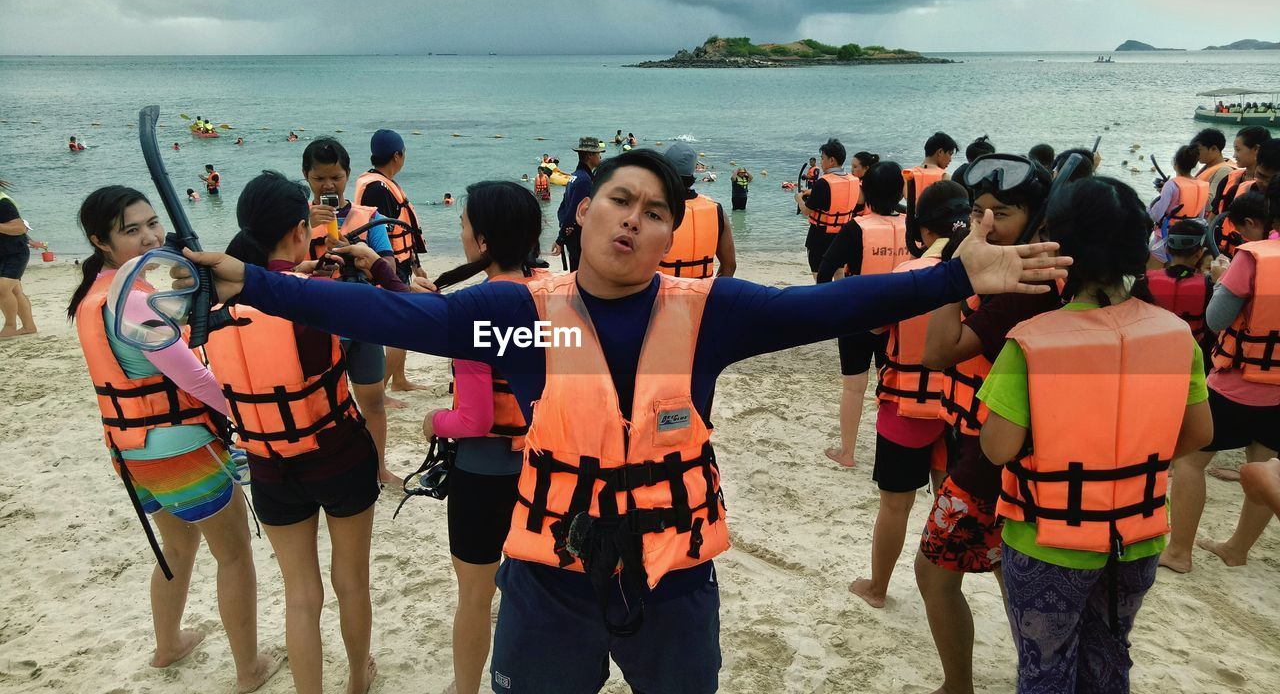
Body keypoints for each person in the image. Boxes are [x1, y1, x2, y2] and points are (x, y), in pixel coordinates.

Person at [180, 148, 1067, 694]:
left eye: (655, 213)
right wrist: (253, 282)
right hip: (551, 579)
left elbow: (822, 309)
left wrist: (954, 277)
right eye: (619, 202)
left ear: (668, 234)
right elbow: (398, 318)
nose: (634, 222)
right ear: (583, 213)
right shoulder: (517, 313)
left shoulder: (711, 313)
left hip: (673, 580)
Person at [979, 176, 1212, 693]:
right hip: (1138, 537)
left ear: (1057, 247)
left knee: (1046, 667)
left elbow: (998, 448)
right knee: (1109, 657)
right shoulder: (1176, 335)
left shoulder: (1031, 344)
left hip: (1048, 542)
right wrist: (1126, 457)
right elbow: (1199, 432)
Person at [67, 185, 280, 693]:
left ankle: (169, 645)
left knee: (176, 549)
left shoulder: (93, 297)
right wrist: (251, 417)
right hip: (182, 449)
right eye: (131, 230)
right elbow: (199, 381)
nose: (150, 238)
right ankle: (249, 670)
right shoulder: (135, 305)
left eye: (151, 224)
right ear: (101, 241)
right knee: (234, 558)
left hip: (130, 450)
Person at [204, 171, 380, 694]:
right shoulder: (315, 298)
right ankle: (356, 678)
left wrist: (294, 275)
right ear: (301, 229)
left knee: (301, 594)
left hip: (268, 464)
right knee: (351, 581)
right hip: (338, 452)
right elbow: (359, 338)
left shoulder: (213, 312)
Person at [917, 153, 1059, 694]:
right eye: (980, 213)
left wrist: (955, 269)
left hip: (995, 458)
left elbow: (938, 351)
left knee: (933, 572)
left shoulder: (1028, 285)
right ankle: (1039, 673)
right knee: (1010, 571)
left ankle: (959, 686)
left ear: (1037, 216)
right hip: (1030, 452)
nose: (988, 226)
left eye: (1002, 213)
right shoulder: (1055, 271)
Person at [419, 181, 546, 694]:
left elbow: (471, 419)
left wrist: (432, 421)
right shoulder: (557, 299)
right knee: (532, 593)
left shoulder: (476, 310)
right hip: (545, 473)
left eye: (466, 225)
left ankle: (466, 687)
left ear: (485, 241)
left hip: (483, 476)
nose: (461, 230)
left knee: (475, 596)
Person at [848, 180, 968, 610]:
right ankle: (949, 579)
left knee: (895, 506)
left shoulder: (908, 274)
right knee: (954, 503)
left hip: (907, 407)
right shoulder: (982, 273)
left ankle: (878, 588)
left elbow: (877, 328)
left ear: (923, 229)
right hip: (960, 407)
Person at [1162, 180, 1280, 574]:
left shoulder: (1253, 257)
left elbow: (1216, 319)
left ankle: (1179, 552)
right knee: (1265, 469)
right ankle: (1237, 549)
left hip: (1236, 386)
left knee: (1190, 463)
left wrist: (1222, 276)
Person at [302, 137, 409, 486]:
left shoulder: (370, 219)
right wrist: (306, 230)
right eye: (319, 179)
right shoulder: (297, 221)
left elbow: (387, 266)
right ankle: (323, 469)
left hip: (362, 325)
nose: (328, 185)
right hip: (319, 327)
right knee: (319, 407)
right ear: (307, 178)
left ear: (348, 174)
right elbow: (280, 269)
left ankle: (378, 468)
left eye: (335, 177)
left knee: (373, 402)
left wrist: (352, 250)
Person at [815, 162, 910, 467]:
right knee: (891, 385)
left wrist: (836, 302)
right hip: (899, 321)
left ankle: (848, 453)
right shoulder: (913, 225)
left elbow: (825, 271)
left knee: (854, 387)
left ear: (865, 191)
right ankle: (888, 449)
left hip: (858, 317)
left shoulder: (857, 228)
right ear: (901, 191)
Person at [353, 129, 430, 397]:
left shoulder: (382, 183)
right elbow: (382, 235)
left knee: (402, 324)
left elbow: (402, 227)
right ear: (397, 155)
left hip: (401, 263)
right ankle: (381, 390)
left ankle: (399, 379)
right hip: (386, 267)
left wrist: (416, 263)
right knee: (399, 326)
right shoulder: (378, 188)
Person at [1142, 218, 1218, 360]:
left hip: (1152, 353)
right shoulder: (1209, 285)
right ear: (1200, 253)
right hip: (1191, 354)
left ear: (1167, 249)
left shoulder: (1145, 280)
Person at [661, 143, 736, 279]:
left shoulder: (654, 210)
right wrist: (709, 294)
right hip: (701, 296)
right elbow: (729, 266)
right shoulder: (716, 210)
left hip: (658, 296)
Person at [797, 138, 859, 280]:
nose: (821, 162)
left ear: (831, 160)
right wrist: (812, 193)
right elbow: (837, 196)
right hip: (843, 233)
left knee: (819, 274)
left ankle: (823, 299)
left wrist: (799, 198)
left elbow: (806, 211)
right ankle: (841, 298)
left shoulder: (823, 183)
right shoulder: (853, 180)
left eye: (822, 158)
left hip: (820, 234)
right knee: (838, 271)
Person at [1148, 145, 1210, 262]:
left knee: (1152, 272)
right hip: (1190, 239)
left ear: (1175, 163)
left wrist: (1148, 209)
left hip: (1166, 236)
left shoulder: (1171, 185)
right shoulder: (1203, 185)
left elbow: (1156, 215)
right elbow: (1200, 216)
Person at [551, 136, 605, 272]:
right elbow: (573, 211)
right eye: (598, 154)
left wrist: (563, 230)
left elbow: (562, 209)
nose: (600, 157)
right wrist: (560, 238)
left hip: (573, 236)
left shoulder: (574, 176)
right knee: (580, 276)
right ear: (590, 155)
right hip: (579, 238)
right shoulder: (584, 181)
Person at [0, 180, 37, 337]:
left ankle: (10, 326)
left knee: (2, 289)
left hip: (15, 253)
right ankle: (29, 327)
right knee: (15, 291)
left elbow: (20, 228)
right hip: (4, 252)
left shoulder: (3, 203)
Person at [1213, 126, 1272, 217]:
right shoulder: (1228, 179)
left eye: (1238, 149)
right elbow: (1214, 215)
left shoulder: (1271, 187)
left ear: (1256, 149)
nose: (1234, 155)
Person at [1192, 128, 1234, 215]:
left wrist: (1179, 193)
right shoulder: (1207, 167)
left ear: (1214, 149)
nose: (1195, 154)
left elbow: (1210, 203)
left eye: (1199, 150)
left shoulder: (1224, 171)